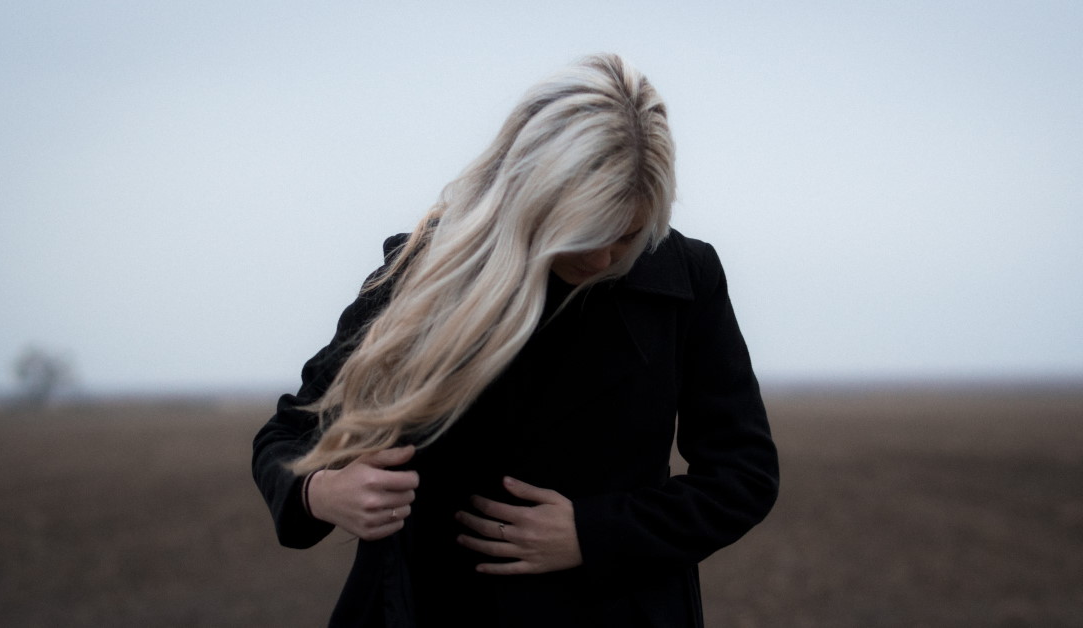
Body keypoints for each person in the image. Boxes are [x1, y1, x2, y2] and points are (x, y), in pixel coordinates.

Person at [252, 53, 779, 628]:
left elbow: (742, 475)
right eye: (585, 234)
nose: (604, 259)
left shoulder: (686, 276)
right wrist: (321, 493)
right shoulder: (425, 270)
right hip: (432, 606)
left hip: (619, 612)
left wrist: (595, 533)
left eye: (627, 235)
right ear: (532, 197)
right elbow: (289, 434)